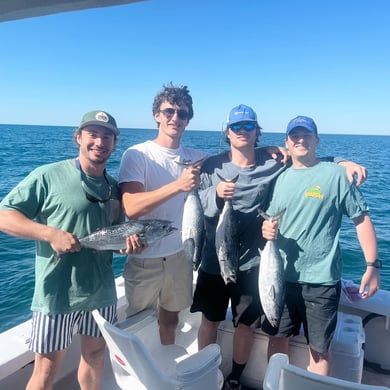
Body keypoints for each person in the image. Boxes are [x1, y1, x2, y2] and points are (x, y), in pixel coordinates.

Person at [190, 105, 369, 390]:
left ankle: (235, 377)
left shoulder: (272, 162)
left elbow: (307, 161)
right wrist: (215, 193)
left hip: (252, 264)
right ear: (227, 132)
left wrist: (342, 161)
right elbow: (194, 204)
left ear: (256, 131)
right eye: (237, 127)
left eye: (249, 127)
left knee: (245, 325)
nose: (243, 132)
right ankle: (203, 373)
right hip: (215, 259)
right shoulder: (211, 164)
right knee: (210, 320)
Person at [0, 110, 140, 390]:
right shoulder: (48, 175)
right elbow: (5, 215)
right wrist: (49, 233)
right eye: (93, 134)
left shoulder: (114, 188)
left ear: (115, 144)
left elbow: (112, 238)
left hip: (101, 292)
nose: (99, 142)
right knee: (47, 368)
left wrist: (127, 247)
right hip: (57, 294)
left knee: (95, 355)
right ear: (78, 137)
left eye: (107, 137)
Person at [262, 115, 380, 376]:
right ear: (287, 143)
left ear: (317, 140)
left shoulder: (336, 175)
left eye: (306, 135)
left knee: (319, 350)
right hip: (279, 276)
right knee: (277, 340)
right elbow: (270, 219)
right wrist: (267, 229)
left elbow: (361, 220)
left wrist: (372, 266)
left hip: (322, 281)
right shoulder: (279, 178)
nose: (301, 140)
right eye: (295, 136)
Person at [118, 82, 209, 345]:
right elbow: (131, 208)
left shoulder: (195, 157)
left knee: (171, 321)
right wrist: (178, 185)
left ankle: (165, 364)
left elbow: (235, 158)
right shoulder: (138, 154)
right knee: (139, 325)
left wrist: (270, 150)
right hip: (145, 258)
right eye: (169, 111)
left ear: (188, 120)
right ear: (156, 115)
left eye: (182, 114)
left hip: (181, 256)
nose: (175, 118)